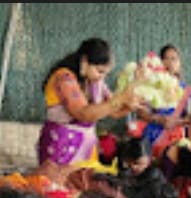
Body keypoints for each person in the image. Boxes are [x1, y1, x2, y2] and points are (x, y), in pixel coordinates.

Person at [38, 38, 139, 167]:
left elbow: (115, 111)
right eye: (100, 71)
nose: (102, 77)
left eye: (106, 74)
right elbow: (83, 114)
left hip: (86, 149)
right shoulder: (63, 78)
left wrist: (131, 103)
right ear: (85, 61)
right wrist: (120, 99)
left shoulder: (95, 82)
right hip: (61, 146)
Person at [138, 44, 191, 151]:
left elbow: (190, 117)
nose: (169, 62)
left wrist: (175, 122)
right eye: (165, 58)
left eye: (173, 59)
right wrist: (159, 119)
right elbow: (141, 112)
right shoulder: (151, 87)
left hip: (175, 140)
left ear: (179, 64)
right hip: (151, 137)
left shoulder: (186, 91)